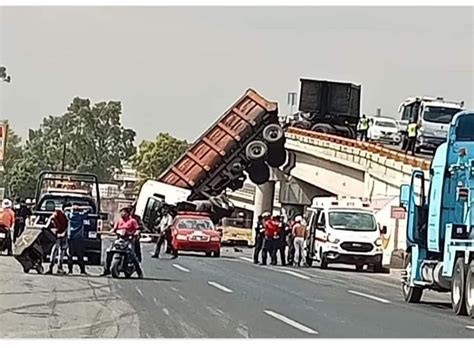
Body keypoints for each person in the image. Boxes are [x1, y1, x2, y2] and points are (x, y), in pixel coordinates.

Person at [102, 206, 143, 278]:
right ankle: (106, 269)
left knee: (132, 254)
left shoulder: (132, 221)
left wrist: (136, 233)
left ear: (128, 213)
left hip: (129, 240)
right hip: (119, 239)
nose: (122, 213)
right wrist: (109, 233)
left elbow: (137, 229)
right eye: (121, 212)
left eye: (124, 212)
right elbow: (114, 229)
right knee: (109, 251)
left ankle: (139, 272)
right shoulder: (119, 221)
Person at [65, 203, 91, 275]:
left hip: (71, 237)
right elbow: (89, 209)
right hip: (79, 238)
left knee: (70, 254)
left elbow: (64, 210)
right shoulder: (81, 215)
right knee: (80, 255)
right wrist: (81, 207)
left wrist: (71, 208)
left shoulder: (70, 215)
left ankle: (70, 270)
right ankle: (82, 270)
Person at [46, 203, 70, 275]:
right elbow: (52, 218)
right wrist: (52, 228)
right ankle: (51, 267)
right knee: (55, 250)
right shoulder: (58, 213)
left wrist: (64, 233)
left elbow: (67, 226)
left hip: (63, 235)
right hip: (56, 235)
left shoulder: (67, 217)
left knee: (62, 252)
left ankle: (60, 267)